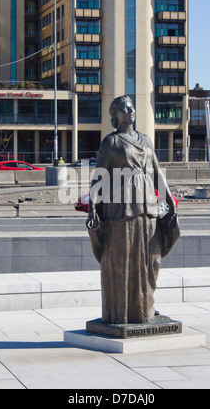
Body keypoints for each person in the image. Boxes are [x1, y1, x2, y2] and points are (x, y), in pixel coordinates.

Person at [87, 96, 176, 325]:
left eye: (131, 106)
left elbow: (156, 172)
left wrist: (170, 199)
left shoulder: (145, 140)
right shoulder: (111, 142)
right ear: (115, 115)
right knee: (122, 261)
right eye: (124, 108)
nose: (130, 110)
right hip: (121, 211)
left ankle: (145, 306)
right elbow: (99, 176)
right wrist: (92, 208)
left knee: (153, 261)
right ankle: (124, 312)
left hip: (148, 209)